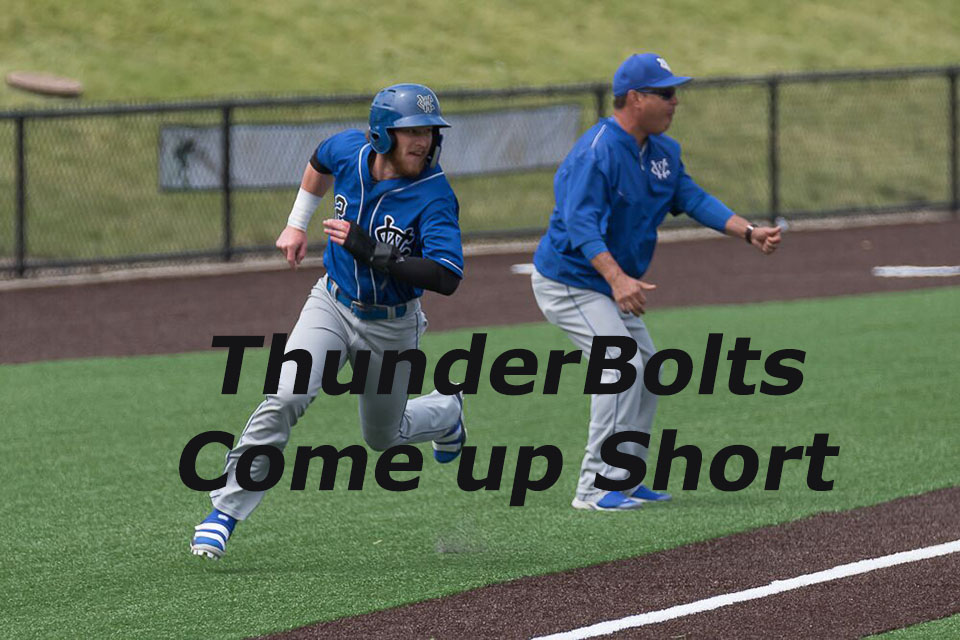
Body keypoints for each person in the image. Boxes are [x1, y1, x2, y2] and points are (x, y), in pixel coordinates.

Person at [191, 83, 467, 559]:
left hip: (392, 326)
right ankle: (225, 513)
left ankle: (446, 413)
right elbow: (318, 160)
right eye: (411, 131)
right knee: (286, 394)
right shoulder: (349, 150)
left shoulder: (434, 195)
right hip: (332, 305)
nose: (423, 141)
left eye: (428, 131)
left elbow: (446, 276)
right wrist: (297, 223)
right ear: (382, 135)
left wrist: (376, 252)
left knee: (383, 437)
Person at [531, 54, 782, 511]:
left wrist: (747, 231)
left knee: (648, 371)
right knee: (620, 363)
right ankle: (592, 487)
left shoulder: (663, 152)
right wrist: (618, 278)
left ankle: (624, 477)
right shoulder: (596, 152)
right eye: (665, 93)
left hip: (609, 282)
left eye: (674, 92)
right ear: (635, 98)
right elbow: (580, 224)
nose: (675, 101)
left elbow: (691, 197)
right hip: (569, 280)